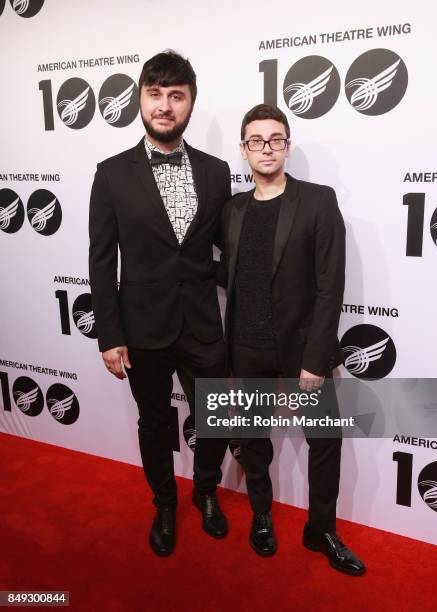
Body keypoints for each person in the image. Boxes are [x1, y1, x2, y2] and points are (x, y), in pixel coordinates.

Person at [89, 50, 231, 557]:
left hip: (201, 324)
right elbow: (102, 261)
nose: (165, 106)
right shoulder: (111, 174)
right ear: (140, 100)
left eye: (176, 95)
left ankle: (207, 492)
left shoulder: (217, 173)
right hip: (142, 326)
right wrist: (110, 335)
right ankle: (165, 502)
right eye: (155, 94)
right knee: (153, 422)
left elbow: (221, 253)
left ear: (191, 103)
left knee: (215, 416)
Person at [218, 103, 365, 575]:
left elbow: (330, 285)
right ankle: (261, 515)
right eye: (256, 140)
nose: (267, 148)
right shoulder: (232, 210)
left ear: (287, 145)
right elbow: (232, 274)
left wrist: (316, 358)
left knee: (325, 440)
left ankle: (320, 528)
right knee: (254, 438)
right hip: (246, 345)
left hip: (305, 351)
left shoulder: (318, 201)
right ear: (244, 150)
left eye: (276, 139)